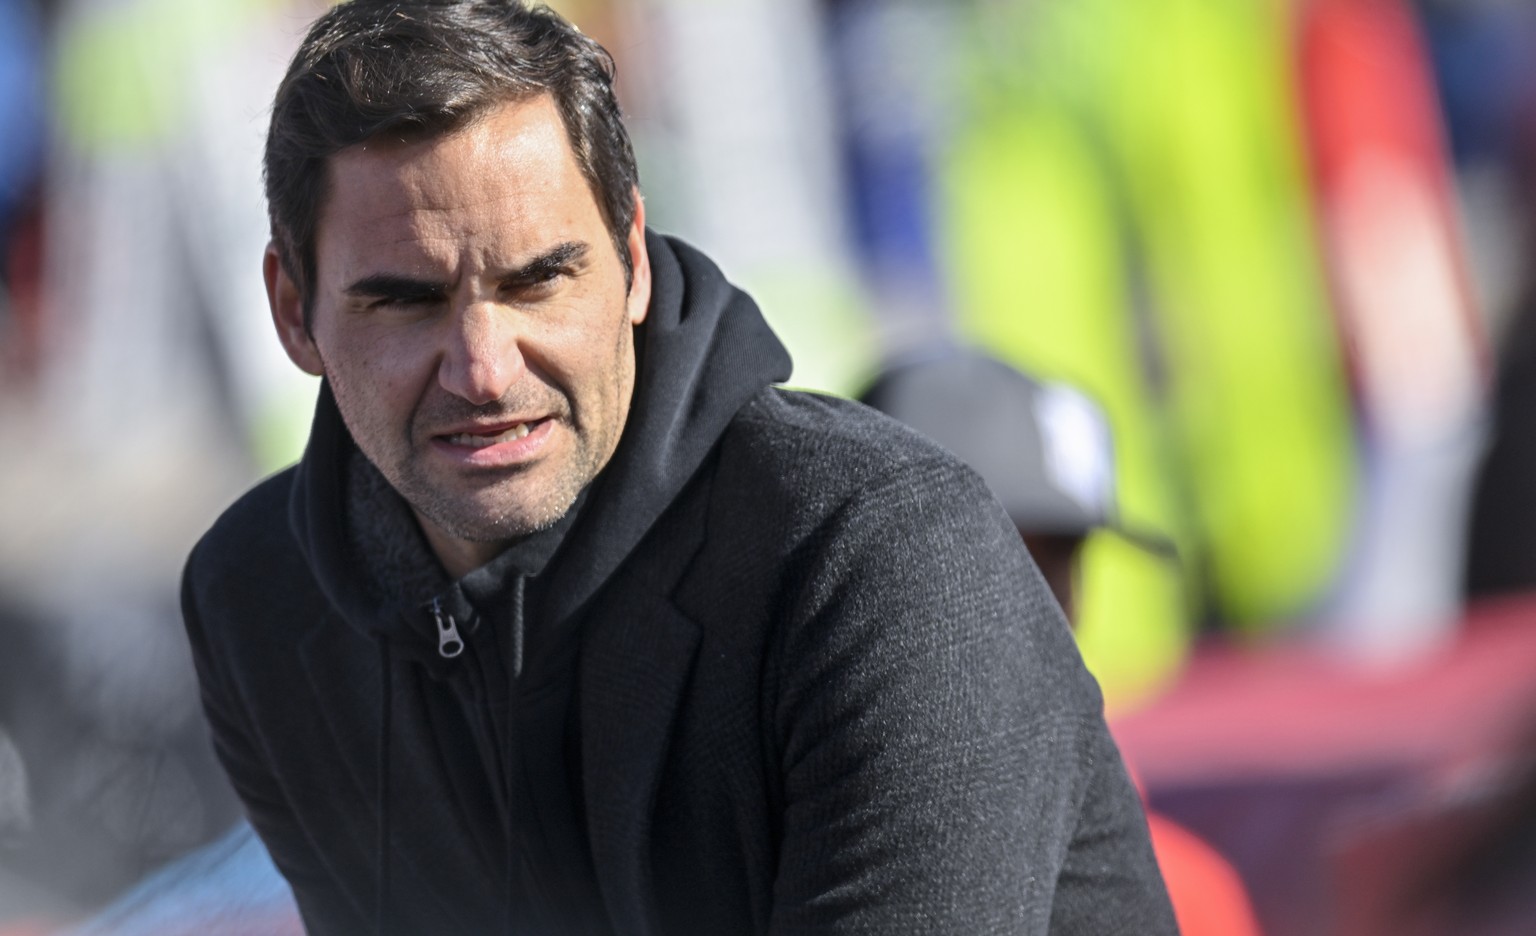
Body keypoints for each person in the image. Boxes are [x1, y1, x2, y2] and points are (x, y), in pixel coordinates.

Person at [180, 2, 1175, 933]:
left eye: (539, 281)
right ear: (292, 308)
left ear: (633, 260)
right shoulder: (263, 601)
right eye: (405, 300)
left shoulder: (884, 562)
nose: (483, 370)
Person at [861, 348, 1265, 936]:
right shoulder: (731, 844)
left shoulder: (1183, 887)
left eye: (1059, 563)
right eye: (992, 557)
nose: (1038, 611)